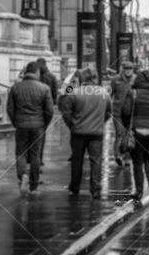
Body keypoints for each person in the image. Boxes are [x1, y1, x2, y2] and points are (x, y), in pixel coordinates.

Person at [59, 67, 110, 199]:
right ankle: (96, 189)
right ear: (95, 78)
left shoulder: (74, 93)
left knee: (77, 160)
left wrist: (73, 125)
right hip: (97, 133)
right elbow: (109, 113)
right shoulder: (104, 93)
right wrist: (100, 122)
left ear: (82, 79)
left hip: (78, 132)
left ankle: (75, 187)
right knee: (96, 160)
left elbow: (66, 112)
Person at [7, 61, 54, 195]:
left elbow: (10, 108)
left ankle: (23, 175)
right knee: (35, 155)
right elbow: (49, 110)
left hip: (21, 125)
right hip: (38, 125)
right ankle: (34, 186)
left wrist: (15, 122)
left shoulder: (16, 87)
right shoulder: (44, 88)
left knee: (21, 153)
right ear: (37, 72)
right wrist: (45, 124)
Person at [123, 70, 149, 200]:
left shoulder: (132, 93)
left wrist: (127, 127)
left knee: (137, 162)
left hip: (137, 131)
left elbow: (125, 112)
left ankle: (139, 191)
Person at [110, 61, 137, 167]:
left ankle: (127, 156)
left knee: (129, 134)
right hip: (118, 111)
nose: (128, 71)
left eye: (130, 69)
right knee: (119, 133)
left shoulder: (136, 79)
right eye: (126, 69)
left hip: (131, 111)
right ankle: (118, 155)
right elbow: (109, 94)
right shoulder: (115, 79)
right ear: (122, 69)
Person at [36, 58, 59, 167]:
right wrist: (53, 104)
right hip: (46, 108)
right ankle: (39, 158)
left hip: (36, 107)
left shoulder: (37, 76)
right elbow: (55, 94)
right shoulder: (52, 77)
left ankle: (32, 157)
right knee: (42, 134)